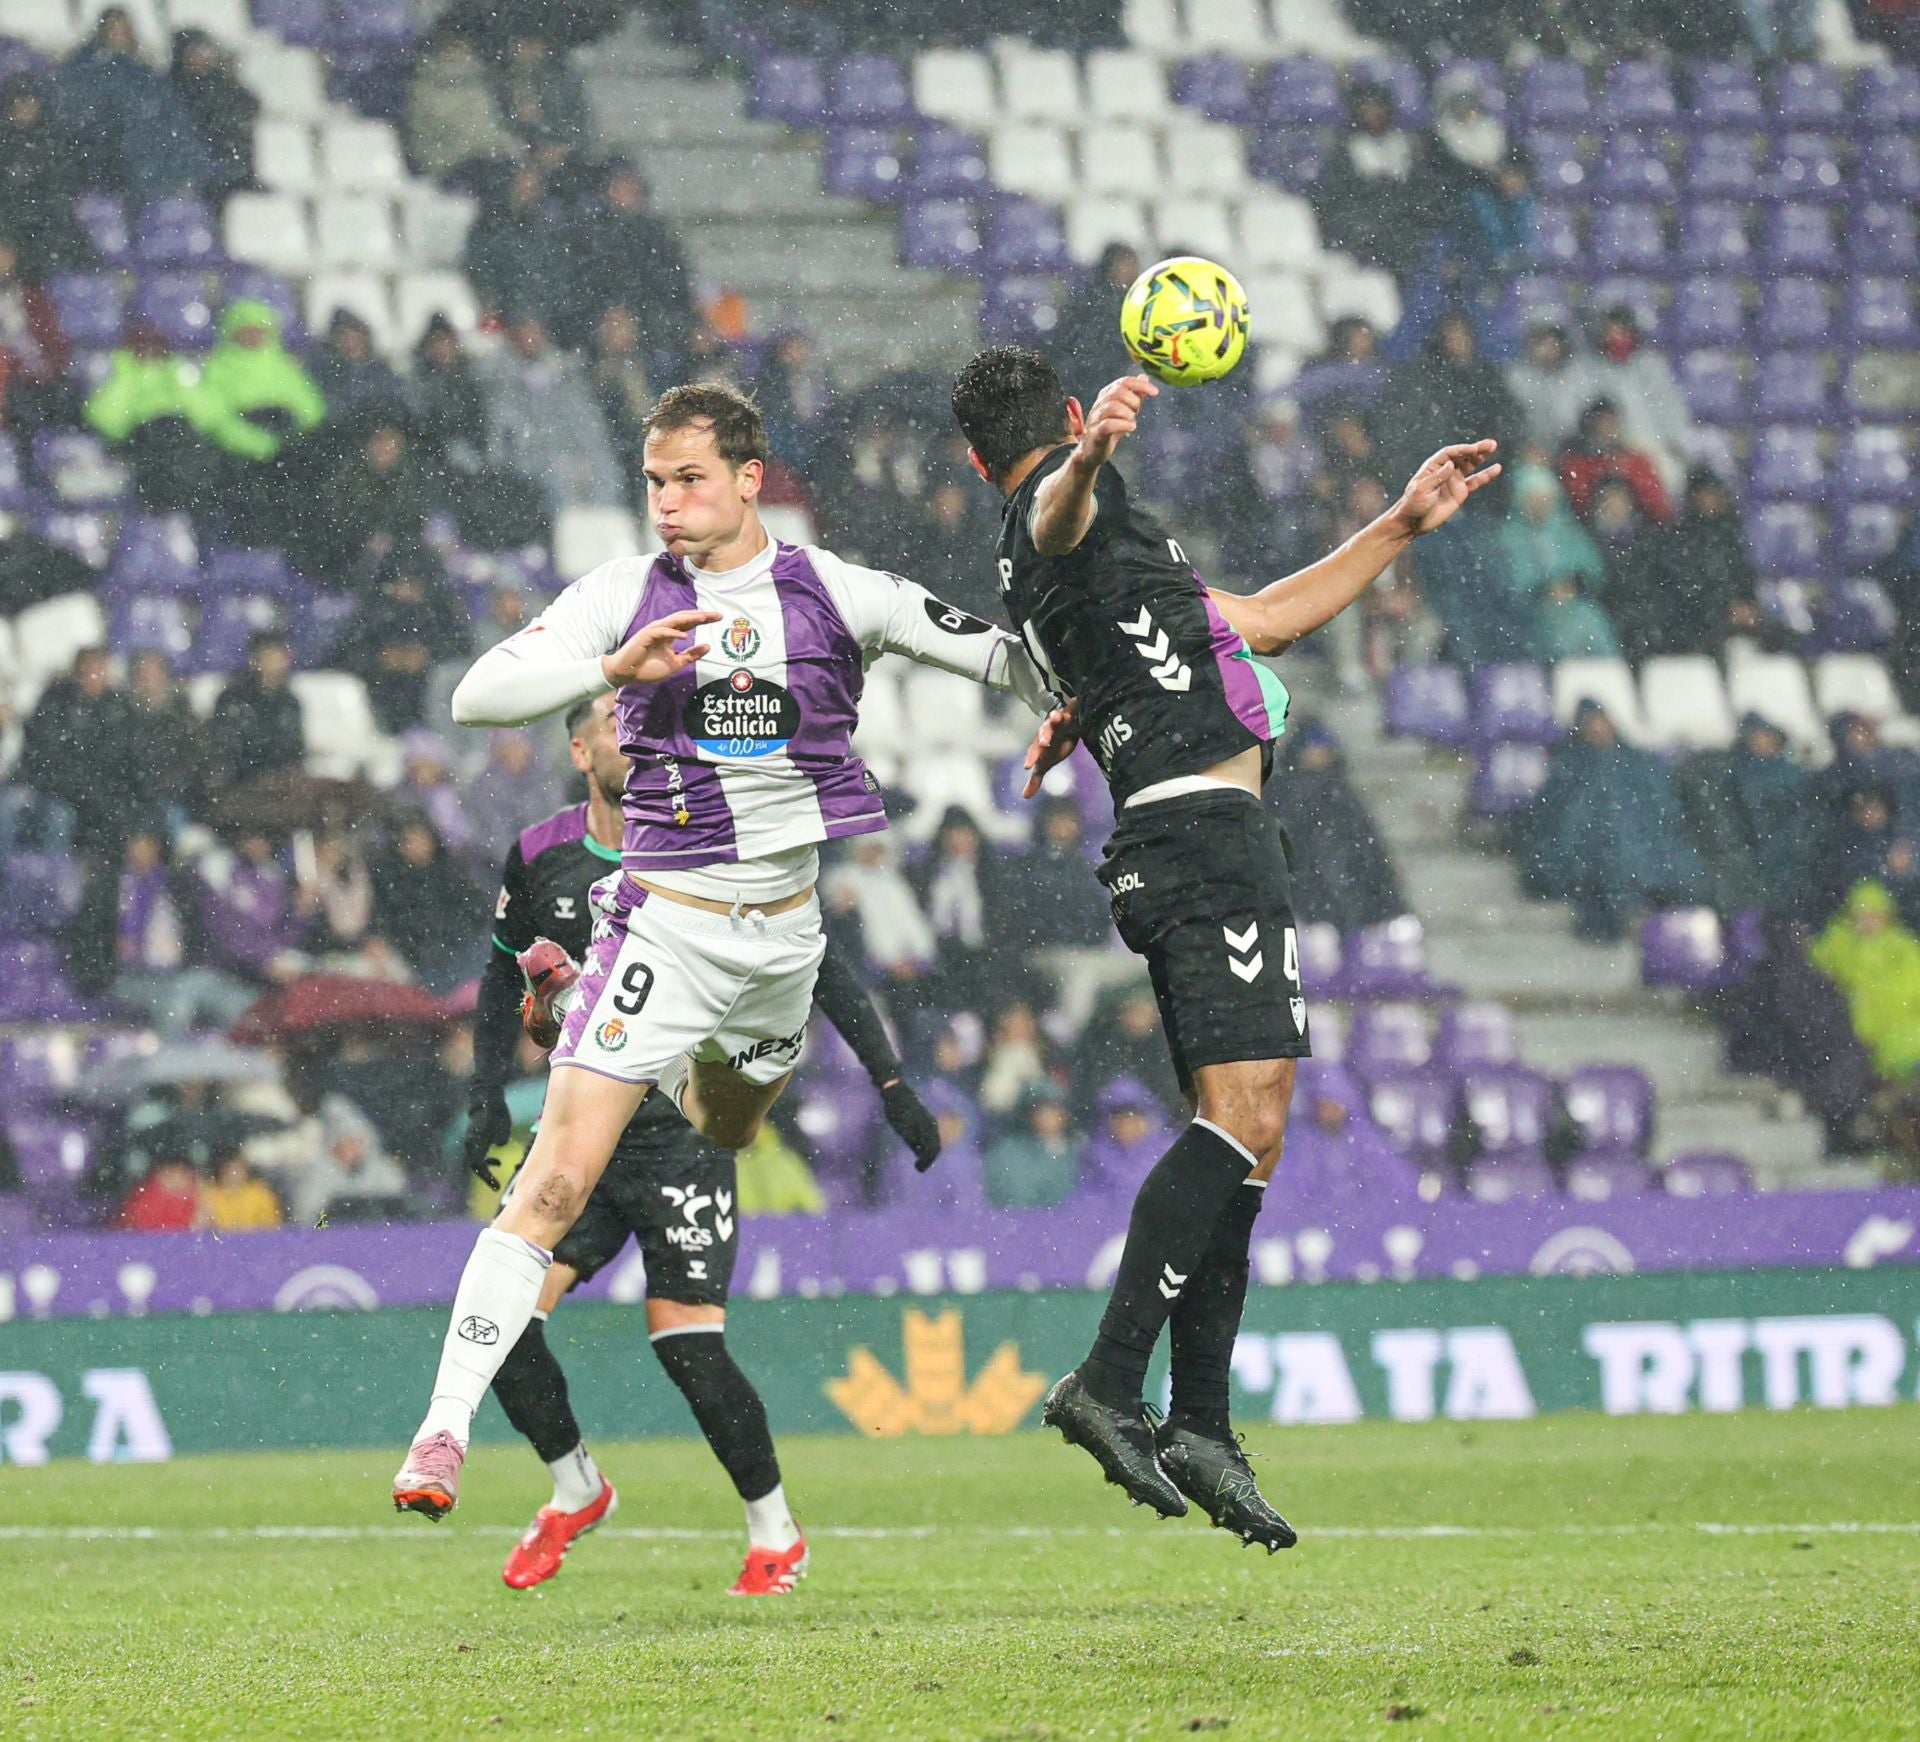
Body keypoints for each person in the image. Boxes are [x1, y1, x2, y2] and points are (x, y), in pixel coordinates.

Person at [390, 381, 1052, 1526]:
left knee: (731, 1123)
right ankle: (443, 1428)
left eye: (690, 478)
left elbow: (1004, 661)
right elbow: (477, 692)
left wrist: (1086, 693)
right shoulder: (622, 594)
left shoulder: (837, 589)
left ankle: (697, 1086)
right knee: (549, 1179)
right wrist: (612, 669)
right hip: (666, 926)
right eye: (654, 481)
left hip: (784, 943)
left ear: (751, 480)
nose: (668, 502)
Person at [949, 344, 1496, 1543]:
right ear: (1071, 418)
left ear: (972, 449)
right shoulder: (1061, 517)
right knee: (1240, 1123)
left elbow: (1260, 623)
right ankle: (1111, 1377)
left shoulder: (1119, 554)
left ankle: (1199, 1415)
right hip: (1196, 833)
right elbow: (1053, 516)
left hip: (1206, 833)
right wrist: (1088, 458)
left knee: (1254, 1129)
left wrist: (1400, 523)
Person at [465, 688, 940, 1594]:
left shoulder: (705, 841)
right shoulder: (539, 855)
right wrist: (488, 1097)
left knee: (685, 1344)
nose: (634, 734)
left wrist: (891, 1082)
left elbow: (815, 959)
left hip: (678, 1134)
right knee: (498, 1322)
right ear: (581, 752)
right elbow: (502, 979)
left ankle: (776, 1534)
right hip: (578, 1140)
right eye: (615, 723)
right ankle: (576, 1489)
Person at [207, 631, 305, 791]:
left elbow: (296, 748)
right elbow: (229, 751)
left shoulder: (289, 701)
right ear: (255, 660)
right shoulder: (233, 699)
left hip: (283, 784)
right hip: (242, 785)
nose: (278, 662)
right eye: (271, 655)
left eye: (281, 655)